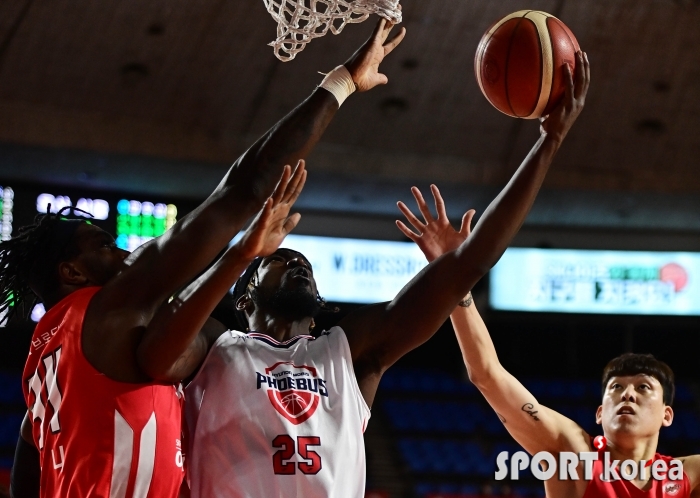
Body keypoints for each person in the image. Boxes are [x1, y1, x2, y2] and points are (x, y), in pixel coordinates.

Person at [136, 51, 590, 498]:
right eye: (276, 260)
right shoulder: (213, 347)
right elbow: (155, 356)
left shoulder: (350, 351)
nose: (297, 265)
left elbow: (471, 263)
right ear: (244, 297)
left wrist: (548, 141)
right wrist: (237, 255)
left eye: (305, 266)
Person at [3, 19, 406, 498]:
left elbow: (29, 460)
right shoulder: (109, 306)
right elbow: (244, 187)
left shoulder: (43, 360)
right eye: (104, 247)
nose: (125, 251)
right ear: (73, 272)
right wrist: (339, 83)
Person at [396, 158, 700, 495]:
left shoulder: (688, 474)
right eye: (615, 388)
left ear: (667, 415)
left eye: (643, 388)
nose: (626, 393)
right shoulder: (572, 453)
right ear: (600, 413)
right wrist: (456, 282)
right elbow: (486, 374)